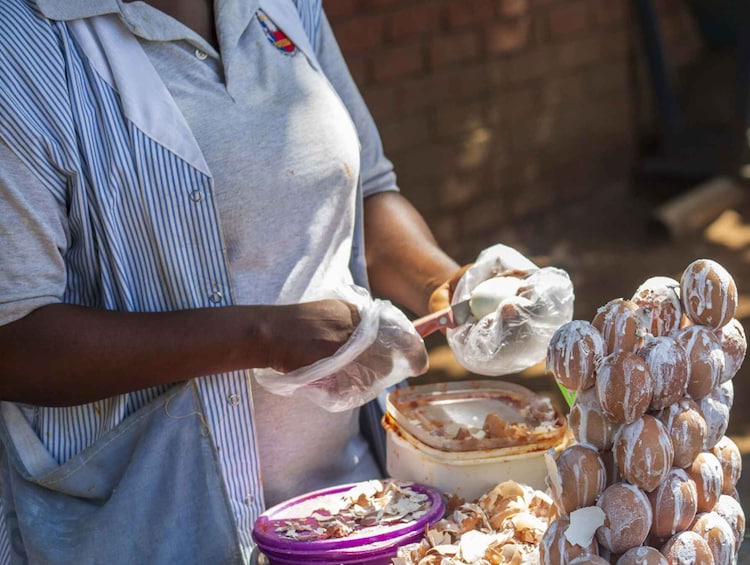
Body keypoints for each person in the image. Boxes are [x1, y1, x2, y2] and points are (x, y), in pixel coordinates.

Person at [0, 0, 467, 562]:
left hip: (348, 511)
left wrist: (451, 283)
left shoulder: (287, 7)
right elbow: (15, 341)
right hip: (154, 534)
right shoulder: (25, 43)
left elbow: (366, 187)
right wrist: (261, 336)